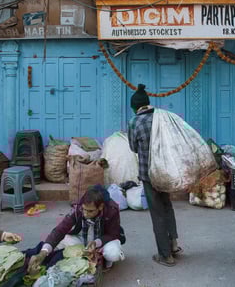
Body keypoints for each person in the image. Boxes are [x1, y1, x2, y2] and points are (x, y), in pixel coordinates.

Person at [128, 83, 182, 267]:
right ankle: (174, 245)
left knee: (157, 213)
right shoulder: (162, 118)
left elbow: (133, 148)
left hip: (148, 174)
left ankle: (165, 256)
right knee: (167, 206)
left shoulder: (135, 122)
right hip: (165, 171)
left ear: (135, 107)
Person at [28, 185, 125, 274]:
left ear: (100, 207)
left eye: (90, 211)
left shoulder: (111, 210)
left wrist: (96, 243)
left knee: (113, 253)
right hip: (84, 238)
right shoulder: (78, 209)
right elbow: (60, 230)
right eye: (84, 210)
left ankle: (105, 260)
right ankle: (91, 253)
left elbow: (113, 234)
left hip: (103, 239)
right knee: (59, 242)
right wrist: (43, 252)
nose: (85, 214)